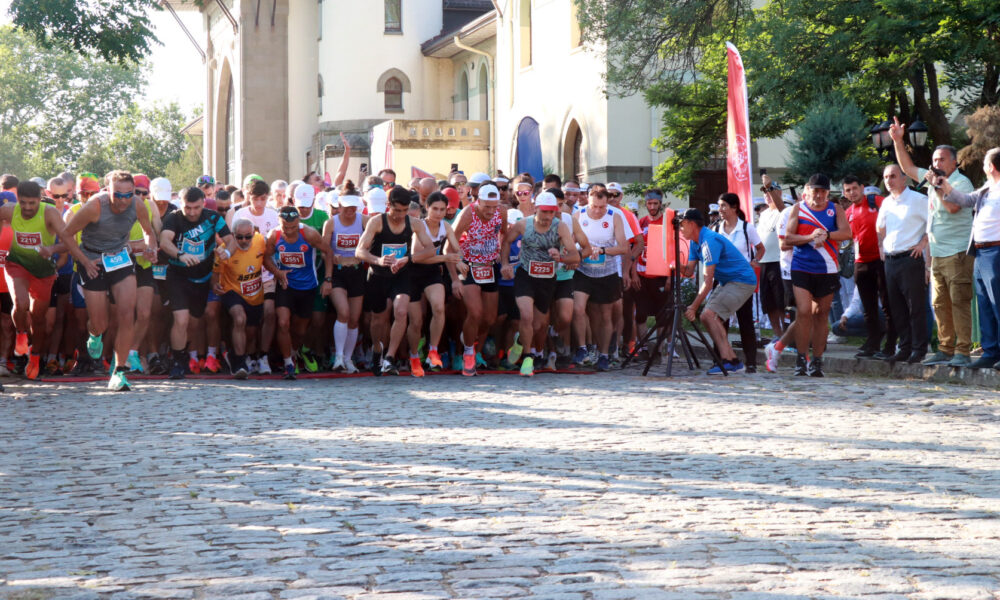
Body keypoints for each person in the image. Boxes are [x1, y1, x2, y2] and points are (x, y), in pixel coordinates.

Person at [889, 118, 976, 367]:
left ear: (954, 162)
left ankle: (962, 351)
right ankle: (945, 348)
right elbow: (907, 168)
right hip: (937, 253)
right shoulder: (933, 180)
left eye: (942, 160)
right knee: (939, 303)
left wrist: (937, 186)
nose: (936, 164)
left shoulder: (960, 182)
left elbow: (952, 207)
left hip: (958, 252)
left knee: (958, 302)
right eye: (935, 160)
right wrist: (897, 140)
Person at [62, 170, 159, 390]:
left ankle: (119, 372)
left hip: (120, 259)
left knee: (126, 314)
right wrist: (85, 261)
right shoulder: (95, 207)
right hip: (93, 261)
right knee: (100, 323)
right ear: (108, 191)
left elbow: (149, 232)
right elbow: (66, 234)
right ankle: (94, 334)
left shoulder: (137, 204)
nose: (124, 200)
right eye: (118, 195)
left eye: (128, 194)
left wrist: (151, 248)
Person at [1, 180, 96, 380]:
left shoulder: (50, 213)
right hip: (17, 264)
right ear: (18, 200)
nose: (27, 208)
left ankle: (35, 356)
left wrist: (52, 249)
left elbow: (68, 242)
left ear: (40, 200)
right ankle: (21, 334)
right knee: (21, 303)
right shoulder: (8, 210)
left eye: (32, 203)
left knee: (39, 318)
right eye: (23, 202)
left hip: (43, 270)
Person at [355, 186, 435, 375]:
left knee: (401, 311)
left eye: (404, 210)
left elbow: (431, 249)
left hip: (400, 274)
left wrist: (408, 259)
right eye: (397, 210)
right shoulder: (377, 222)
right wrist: (378, 260)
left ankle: (389, 357)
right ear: (388, 205)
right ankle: (377, 349)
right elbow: (359, 251)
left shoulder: (414, 223)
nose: (400, 215)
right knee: (377, 320)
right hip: (378, 275)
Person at [159, 186, 235, 379]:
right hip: (178, 275)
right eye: (188, 208)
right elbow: (164, 241)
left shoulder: (213, 217)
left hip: (202, 278)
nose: (192, 212)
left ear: (203, 204)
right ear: (181, 204)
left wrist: (226, 252)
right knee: (181, 319)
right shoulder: (173, 218)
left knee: (194, 323)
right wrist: (180, 255)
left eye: (196, 208)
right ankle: (178, 363)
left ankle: (184, 353)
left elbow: (230, 239)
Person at [501, 192, 580, 376]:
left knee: (538, 325)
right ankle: (528, 358)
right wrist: (505, 264)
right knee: (526, 316)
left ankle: (520, 341)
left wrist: (560, 257)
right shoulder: (523, 224)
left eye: (551, 212)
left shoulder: (560, 227)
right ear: (536, 208)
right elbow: (506, 242)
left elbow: (575, 256)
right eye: (544, 211)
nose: (547, 216)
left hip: (547, 279)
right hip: (525, 276)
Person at [936, 149, 1000, 369]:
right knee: (984, 304)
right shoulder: (986, 188)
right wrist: (942, 185)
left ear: (991, 166)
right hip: (980, 252)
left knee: (998, 302)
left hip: (996, 251)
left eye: (984, 163)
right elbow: (964, 200)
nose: (982, 166)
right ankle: (990, 352)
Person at [783, 174, 851, 377]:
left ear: (828, 192)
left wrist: (826, 234)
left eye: (823, 191)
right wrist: (810, 237)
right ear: (808, 190)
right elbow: (787, 238)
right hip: (802, 267)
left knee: (821, 314)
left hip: (827, 268)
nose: (819, 195)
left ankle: (818, 361)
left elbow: (847, 233)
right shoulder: (798, 208)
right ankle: (801, 359)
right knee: (804, 311)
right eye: (816, 191)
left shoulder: (835, 209)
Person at [679, 208, 757, 374]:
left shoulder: (709, 241)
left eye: (682, 224)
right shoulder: (694, 242)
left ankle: (728, 360)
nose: (680, 229)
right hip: (729, 281)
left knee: (708, 315)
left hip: (742, 281)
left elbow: (708, 282)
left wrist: (693, 307)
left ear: (691, 224)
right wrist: (672, 263)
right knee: (706, 316)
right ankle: (733, 360)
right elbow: (688, 271)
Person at [263, 206, 333, 380]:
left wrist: (328, 279)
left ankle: (294, 352)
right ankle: (288, 363)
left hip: (307, 286)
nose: (289, 231)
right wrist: (277, 272)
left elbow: (328, 252)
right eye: (285, 227)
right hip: (285, 285)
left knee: (300, 330)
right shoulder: (274, 235)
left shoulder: (309, 233)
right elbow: (266, 257)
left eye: (293, 227)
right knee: (283, 323)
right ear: (279, 223)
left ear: (299, 222)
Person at [406, 191, 466, 376]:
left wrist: (460, 261)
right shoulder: (420, 225)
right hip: (413, 273)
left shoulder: (445, 226)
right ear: (427, 208)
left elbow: (457, 248)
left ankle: (433, 351)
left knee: (439, 308)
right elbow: (417, 257)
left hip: (432, 272)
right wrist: (445, 258)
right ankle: (414, 356)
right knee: (417, 319)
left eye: (442, 209)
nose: (439, 213)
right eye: (435, 209)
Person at [452, 184, 508, 376]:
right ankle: (468, 353)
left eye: (494, 207)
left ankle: (473, 343)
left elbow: (505, 234)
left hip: (489, 266)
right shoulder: (467, 214)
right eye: (487, 207)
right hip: (468, 266)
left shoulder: (502, 211)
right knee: (475, 313)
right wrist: (456, 273)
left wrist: (502, 255)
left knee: (490, 318)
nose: (491, 211)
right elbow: (449, 244)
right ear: (478, 202)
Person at [571, 186, 629, 371]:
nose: (597, 211)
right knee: (578, 308)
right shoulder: (579, 215)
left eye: (601, 207)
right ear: (588, 200)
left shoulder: (615, 216)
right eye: (594, 206)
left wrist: (602, 250)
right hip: (583, 270)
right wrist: (579, 252)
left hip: (606, 272)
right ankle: (582, 348)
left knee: (603, 315)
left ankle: (603, 354)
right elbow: (570, 242)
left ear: (607, 203)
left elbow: (624, 247)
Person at [877, 164, 930, 363]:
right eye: (885, 177)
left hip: (910, 258)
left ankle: (919, 348)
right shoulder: (886, 203)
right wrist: (882, 246)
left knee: (915, 306)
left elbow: (933, 224)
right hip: (891, 260)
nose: (889, 181)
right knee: (897, 307)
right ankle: (905, 347)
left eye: (893, 176)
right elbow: (880, 227)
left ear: (903, 178)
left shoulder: (918, 200)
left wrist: (922, 243)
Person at [842, 176, 896, 359]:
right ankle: (873, 342)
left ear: (862, 187)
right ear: (844, 193)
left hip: (882, 260)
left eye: (854, 188)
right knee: (868, 307)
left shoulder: (876, 201)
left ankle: (891, 344)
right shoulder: (848, 212)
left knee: (888, 304)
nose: (852, 193)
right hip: (861, 263)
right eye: (848, 190)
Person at [712, 192, 764, 372]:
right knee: (719, 320)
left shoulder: (746, 228)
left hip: (742, 281)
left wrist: (754, 261)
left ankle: (751, 361)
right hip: (722, 279)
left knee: (745, 320)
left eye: (723, 206)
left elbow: (760, 248)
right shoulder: (716, 229)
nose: (720, 209)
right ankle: (721, 359)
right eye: (719, 206)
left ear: (734, 208)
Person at [233, 179, 279, 374]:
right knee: (250, 322)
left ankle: (264, 356)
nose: (259, 203)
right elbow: (232, 244)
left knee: (269, 313)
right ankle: (250, 356)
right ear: (248, 197)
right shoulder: (240, 215)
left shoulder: (273, 215)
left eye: (263, 199)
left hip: (267, 274)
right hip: (245, 276)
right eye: (255, 199)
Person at [322, 183, 368, 373]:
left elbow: (372, 242)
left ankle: (349, 359)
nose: (350, 211)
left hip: (357, 272)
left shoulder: (364, 220)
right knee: (343, 312)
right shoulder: (331, 223)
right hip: (338, 272)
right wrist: (329, 273)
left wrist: (363, 254)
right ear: (339, 206)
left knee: (354, 319)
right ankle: (339, 357)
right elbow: (324, 251)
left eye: (353, 207)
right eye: (346, 207)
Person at [757, 176, 787, 338]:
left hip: (778, 262)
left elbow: (783, 210)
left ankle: (787, 335)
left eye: (770, 191)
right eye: (765, 192)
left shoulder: (785, 210)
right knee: (768, 303)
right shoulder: (763, 215)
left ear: (779, 193)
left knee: (781, 302)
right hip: (764, 262)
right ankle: (778, 335)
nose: (767, 195)